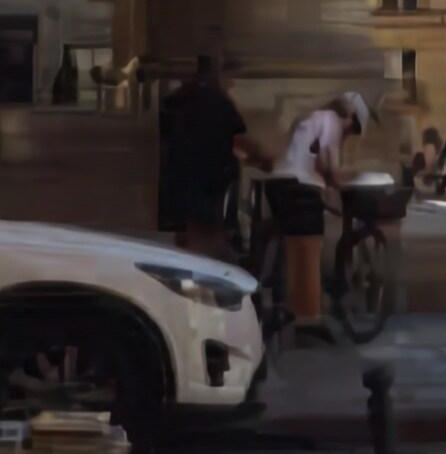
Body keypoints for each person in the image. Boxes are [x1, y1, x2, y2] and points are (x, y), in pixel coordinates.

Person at [272, 90, 366, 339]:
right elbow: (325, 165)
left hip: (281, 184)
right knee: (308, 250)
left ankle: (288, 310)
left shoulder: (313, 117)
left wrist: (331, 196)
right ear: (350, 115)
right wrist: (344, 184)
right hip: (300, 188)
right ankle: (308, 321)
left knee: (290, 248)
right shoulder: (331, 121)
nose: (348, 134)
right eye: (352, 128)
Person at [155, 53, 250, 253]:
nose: (233, 84)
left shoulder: (180, 98)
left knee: (188, 226)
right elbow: (239, 133)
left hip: (183, 171)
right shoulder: (219, 101)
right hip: (209, 175)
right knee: (206, 227)